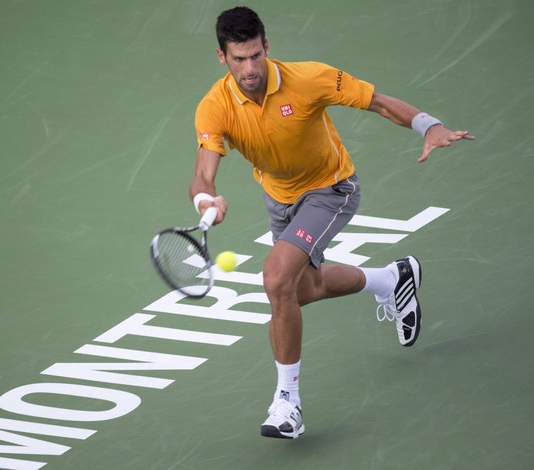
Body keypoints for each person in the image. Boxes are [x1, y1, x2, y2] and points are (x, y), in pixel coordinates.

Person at [189, 6, 474, 439]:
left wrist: (427, 125)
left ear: (266, 47)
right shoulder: (215, 106)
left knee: (275, 279)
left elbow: (376, 102)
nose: (249, 68)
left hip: (332, 191)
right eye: (238, 59)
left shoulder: (309, 79)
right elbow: (203, 175)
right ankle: (391, 280)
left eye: (254, 56)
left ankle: (288, 404)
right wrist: (206, 199)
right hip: (280, 200)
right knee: (300, 289)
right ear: (221, 57)